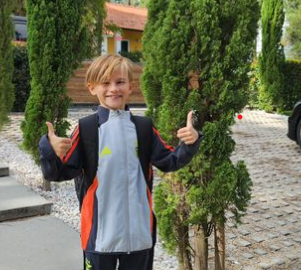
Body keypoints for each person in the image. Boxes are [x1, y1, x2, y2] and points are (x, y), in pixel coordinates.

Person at [39, 54, 202, 270]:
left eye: (120, 82)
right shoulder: (87, 129)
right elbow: (58, 173)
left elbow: (169, 161)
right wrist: (49, 148)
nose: (113, 88)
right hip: (98, 238)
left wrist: (191, 142)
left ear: (130, 87)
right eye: (105, 83)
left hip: (139, 237)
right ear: (92, 87)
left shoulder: (144, 128)